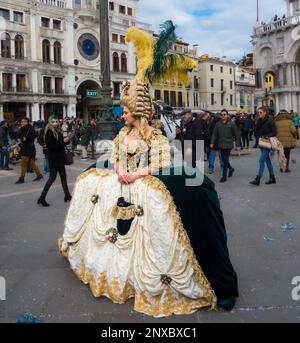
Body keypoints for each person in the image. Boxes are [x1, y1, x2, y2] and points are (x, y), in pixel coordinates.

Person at [59, 22, 238, 318]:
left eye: (126, 111)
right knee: (92, 185)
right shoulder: (120, 135)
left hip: (142, 182)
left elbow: (162, 162)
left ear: (138, 112)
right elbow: (115, 156)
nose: (123, 114)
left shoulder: (154, 137)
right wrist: (120, 171)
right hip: (121, 182)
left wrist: (138, 174)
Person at [37, 116, 72, 207]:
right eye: (54, 121)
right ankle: (42, 197)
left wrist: (67, 140)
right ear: (50, 122)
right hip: (54, 158)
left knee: (63, 177)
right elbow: (52, 146)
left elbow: (60, 144)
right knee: (52, 178)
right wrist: (64, 141)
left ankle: (67, 195)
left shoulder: (57, 131)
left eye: (57, 121)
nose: (56, 122)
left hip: (60, 158)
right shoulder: (48, 132)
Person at [250, 107, 277, 186]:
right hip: (261, 142)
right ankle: (272, 178)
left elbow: (274, 132)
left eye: (261, 112)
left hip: (267, 143)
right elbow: (257, 130)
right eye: (258, 112)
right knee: (267, 160)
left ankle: (258, 179)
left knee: (261, 160)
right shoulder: (259, 120)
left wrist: (266, 136)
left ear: (265, 112)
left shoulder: (270, 120)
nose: (259, 114)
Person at [210, 109, 239, 183]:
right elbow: (214, 134)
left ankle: (224, 176)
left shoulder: (231, 123)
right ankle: (231, 169)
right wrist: (212, 142)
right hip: (220, 144)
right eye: (222, 114)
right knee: (224, 159)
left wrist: (237, 145)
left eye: (224, 114)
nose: (223, 116)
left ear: (227, 115)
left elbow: (236, 135)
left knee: (225, 160)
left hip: (228, 145)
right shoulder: (218, 124)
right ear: (220, 115)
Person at [15, 118, 43, 184]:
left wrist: (27, 138)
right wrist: (21, 131)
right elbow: (17, 135)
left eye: (24, 121)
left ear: (27, 122)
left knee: (23, 164)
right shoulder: (21, 128)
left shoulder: (30, 128)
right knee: (32, 163)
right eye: (21, 121)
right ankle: (39, 175)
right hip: (24, 147)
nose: (22, 123)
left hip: (29, 148)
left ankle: (22, 178)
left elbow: (35, 135)